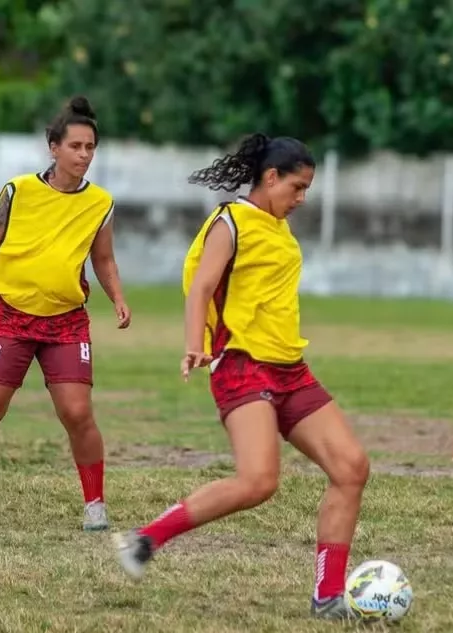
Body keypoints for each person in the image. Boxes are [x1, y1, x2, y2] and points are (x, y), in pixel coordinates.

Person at [113, 133, 370, 621]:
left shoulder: (279, 229)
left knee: (352, 467)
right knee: (258, 481)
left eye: (307, 189)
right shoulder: (231, 221)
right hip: (241, 365)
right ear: (271, 177)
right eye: (297, 187)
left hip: (289, 368)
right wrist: (194, 343)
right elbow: (201, 287)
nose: (301, 199)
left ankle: (328, 596)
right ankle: (146, 538)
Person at [0, 96, 131, 532]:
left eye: (90, 147)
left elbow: (103, 259)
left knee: (77, 413)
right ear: (54, 147)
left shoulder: (100, 203)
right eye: (75, 146)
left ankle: (95, 505)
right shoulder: (17, 191)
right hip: (13, 317)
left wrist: (118, 297)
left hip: (66, 321)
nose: (84, 155)